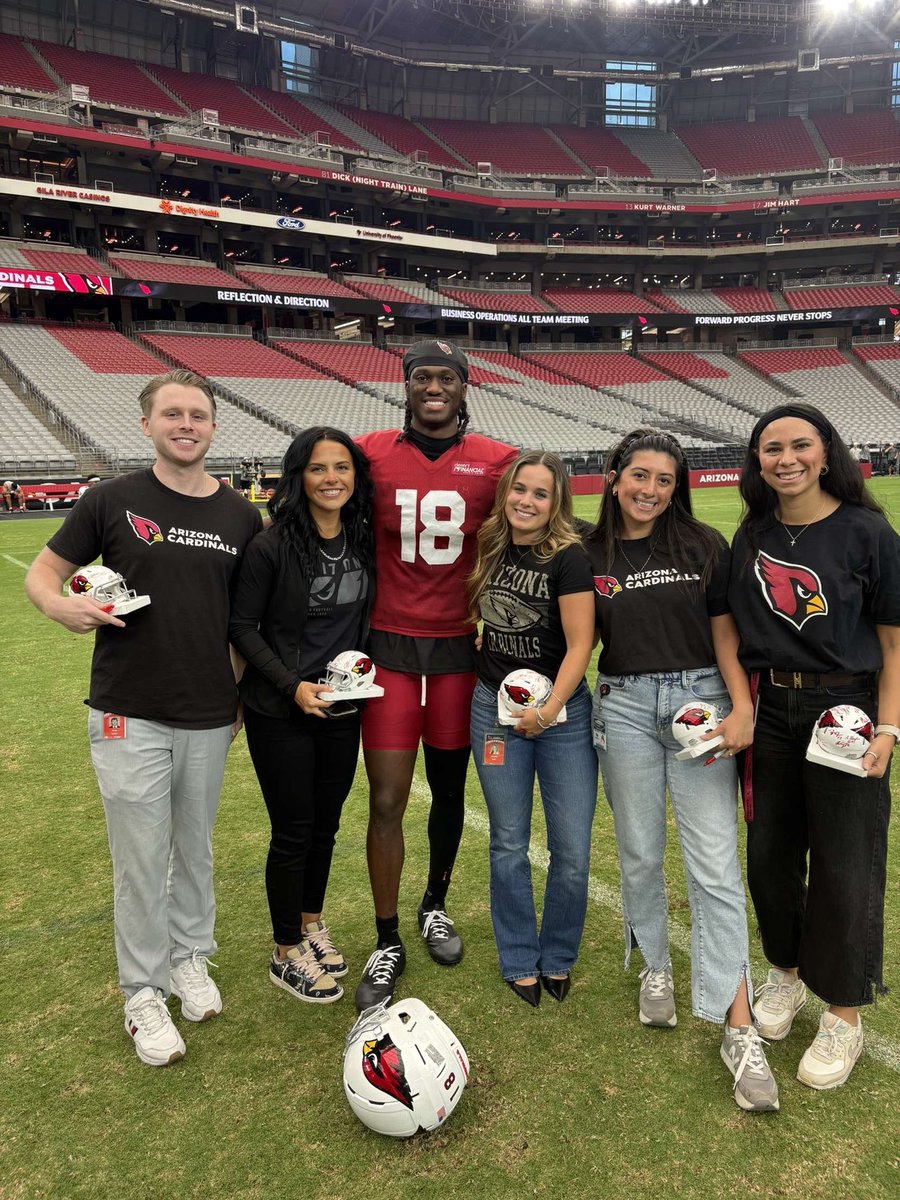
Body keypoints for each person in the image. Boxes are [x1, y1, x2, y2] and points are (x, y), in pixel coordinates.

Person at [24, 369, 261, 1067]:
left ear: (214, 426)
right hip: (129, 710)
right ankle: (142, 992)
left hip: (211, 713)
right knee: (140, 858)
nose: (186, 424)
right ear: (147, 424)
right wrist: (60, 606)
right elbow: (43, 573)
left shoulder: (242, 516)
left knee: (195, 846)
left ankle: (191, 957)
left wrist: (239, 694)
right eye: (173, 414)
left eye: (198, 415)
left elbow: (244, 621)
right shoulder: (112, 499)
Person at [585, 428, 779, 1113]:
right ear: (614, 476)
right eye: (639, 475)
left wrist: (742, 707)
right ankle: (657, 969)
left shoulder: (703, 544)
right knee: (639, 855)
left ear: (677, 486)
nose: (650, 490)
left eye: (664, 480)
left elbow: (725, 632)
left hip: (703, 704)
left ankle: (737, 1020)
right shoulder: (588, 551)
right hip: (625, 705)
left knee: (714, 864)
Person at [728, 402, 899, 1091]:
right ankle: (787, 975)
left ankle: (845, 1014)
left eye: (801, 445)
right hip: (774, 707)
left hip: (847, 707)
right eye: (773, 448)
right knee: (770, 855)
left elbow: (893, 641)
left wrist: (889, 727)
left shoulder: (868, 532)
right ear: (758, 461)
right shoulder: (752, 535)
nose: (787, 458)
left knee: (845, 860)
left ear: (826, 453)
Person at [353, 339, 517, 1011]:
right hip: (389, 649)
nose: (432, 387)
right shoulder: (368, 452)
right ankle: (386, 936)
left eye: (445, 377)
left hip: (459, 651)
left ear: (463, 386)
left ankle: (434, 904)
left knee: (450, 793)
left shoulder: (499, 462)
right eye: (421, 376)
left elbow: (543, 524)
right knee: (387, 799)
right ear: (406, 384)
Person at [229, 427, 375, 1005]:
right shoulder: (271, 546)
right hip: (282, 711)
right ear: (298, 477)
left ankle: (310, 922)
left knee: (327, 825)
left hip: (343, 707)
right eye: (319, 468)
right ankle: (284, 949)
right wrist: (292, 687)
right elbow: (241, 626)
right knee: (293, 830)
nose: (332, 478)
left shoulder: (362, 539)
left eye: (342, 467)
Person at [468, 451, 597, 1007]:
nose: (527, 501)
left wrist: (547, 712)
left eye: (541, 494)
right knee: (508, 843)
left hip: (560, 717)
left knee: (571, 849)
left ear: (557, 502)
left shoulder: (568, 556)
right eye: (520, 489)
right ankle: (518, 954)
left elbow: (580, 644)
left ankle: (559, 952)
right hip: (494, 712)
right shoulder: (490, 540)